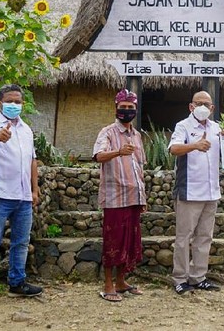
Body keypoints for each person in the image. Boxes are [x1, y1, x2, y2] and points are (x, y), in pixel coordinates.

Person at [0, 84, 42, 310]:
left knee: (21, 243)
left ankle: (17, 283)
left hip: (23, 196)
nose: (15, 105)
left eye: (18, 101)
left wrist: (35, 189)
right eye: (10, 101)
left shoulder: (26, 130)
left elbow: (32, 160)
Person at [168, 91, 224, 294]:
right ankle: (179, 278)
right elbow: (174, 149)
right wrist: (194, 145)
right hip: (190, 191)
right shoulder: (183, 126)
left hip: (211, 192)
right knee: (184, 237)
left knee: (204, 237)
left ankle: (198, 276)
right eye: (199, 103)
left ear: (212, 108)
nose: (203, 106)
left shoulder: (216, 128)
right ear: (191, 106)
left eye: (207, 104)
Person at [92, 89, 147, 302]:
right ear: (116, 108)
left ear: (135, 110)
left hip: (134, 196)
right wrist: (118, 151)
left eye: (130, 108)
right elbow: (98, 156)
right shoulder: (107, 132)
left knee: (130, 241)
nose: (126, 111)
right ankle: (108, 284)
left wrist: (143, 196)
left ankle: (122, 281)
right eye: (123, 107)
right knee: (113, 241)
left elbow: (139, 166)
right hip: (115, 197)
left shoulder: (137, 135)